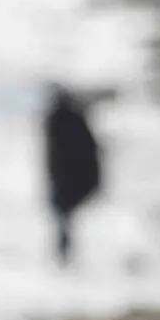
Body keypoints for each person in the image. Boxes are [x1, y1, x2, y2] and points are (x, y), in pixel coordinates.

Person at [43, 85, 102, 266]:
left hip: (66, 178)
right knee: (64, 218)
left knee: (65, 218)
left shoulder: (63, 120)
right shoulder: (64, 120)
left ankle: (67, 254)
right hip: (64, 178)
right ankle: (65, 255)